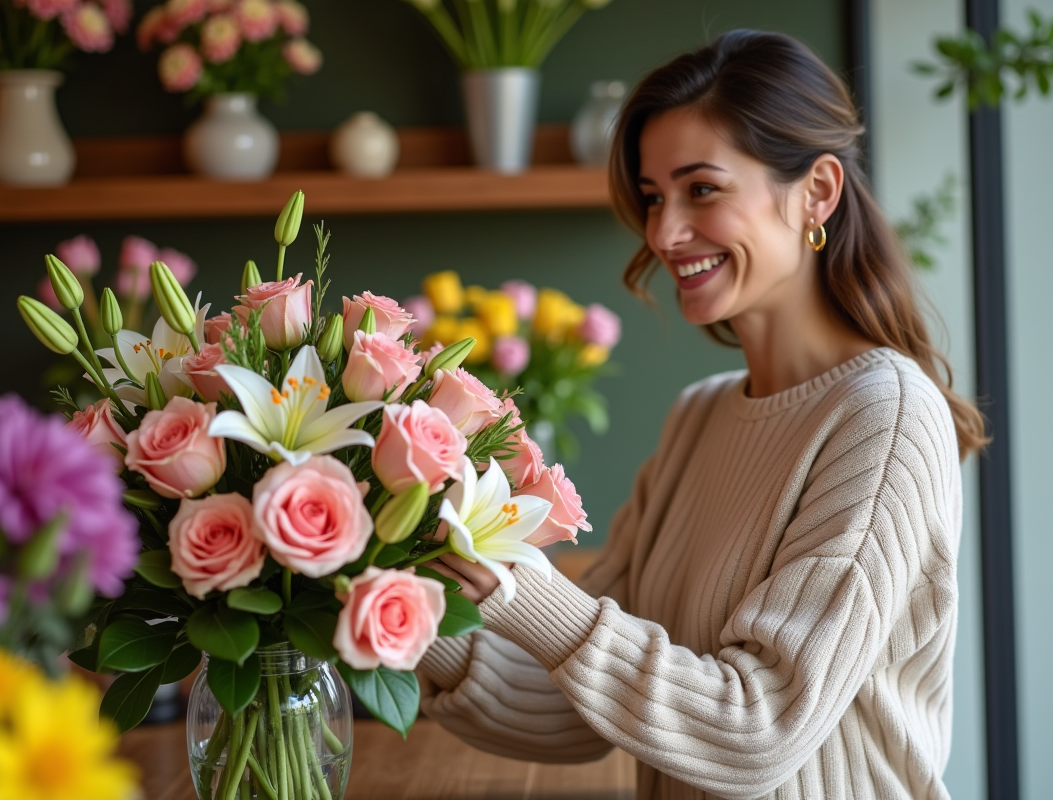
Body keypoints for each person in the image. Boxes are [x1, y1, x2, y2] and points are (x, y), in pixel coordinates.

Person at [416, 29, 987, 800]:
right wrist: (404, 611)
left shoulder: (883, 418)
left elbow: (759, 733)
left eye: (703, 190)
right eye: (653, 197)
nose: (663, 232)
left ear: (817, 191)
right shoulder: (700, 415)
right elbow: (587, 706)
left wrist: (526, 586)